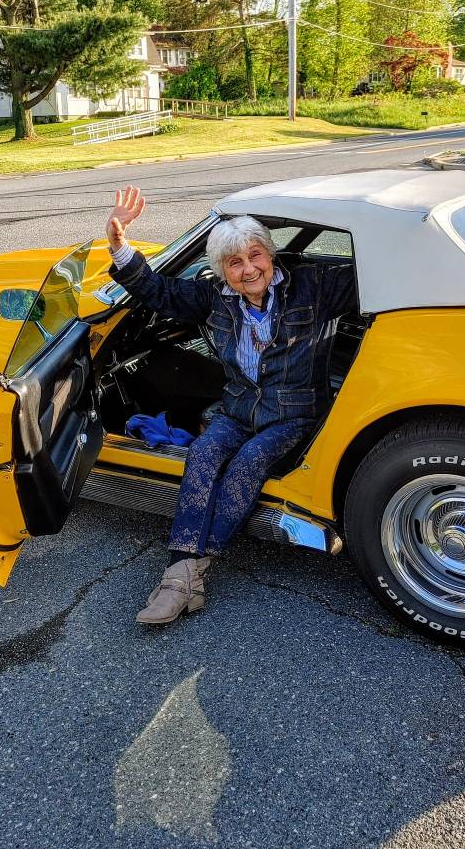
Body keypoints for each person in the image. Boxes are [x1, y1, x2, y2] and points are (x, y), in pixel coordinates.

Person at [106, 186, 358, 625]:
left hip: (294, 413)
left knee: (248, 462)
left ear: (270, 255)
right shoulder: (212, 299)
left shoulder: (313, 287)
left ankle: (183, 578)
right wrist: (119, 244)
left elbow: (377, 274)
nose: (248, 270)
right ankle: (185, 577)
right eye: (235, 263)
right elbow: (157, 292)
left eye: (255, 255)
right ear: (222, 271)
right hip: (239, 409)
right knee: (202, 453)